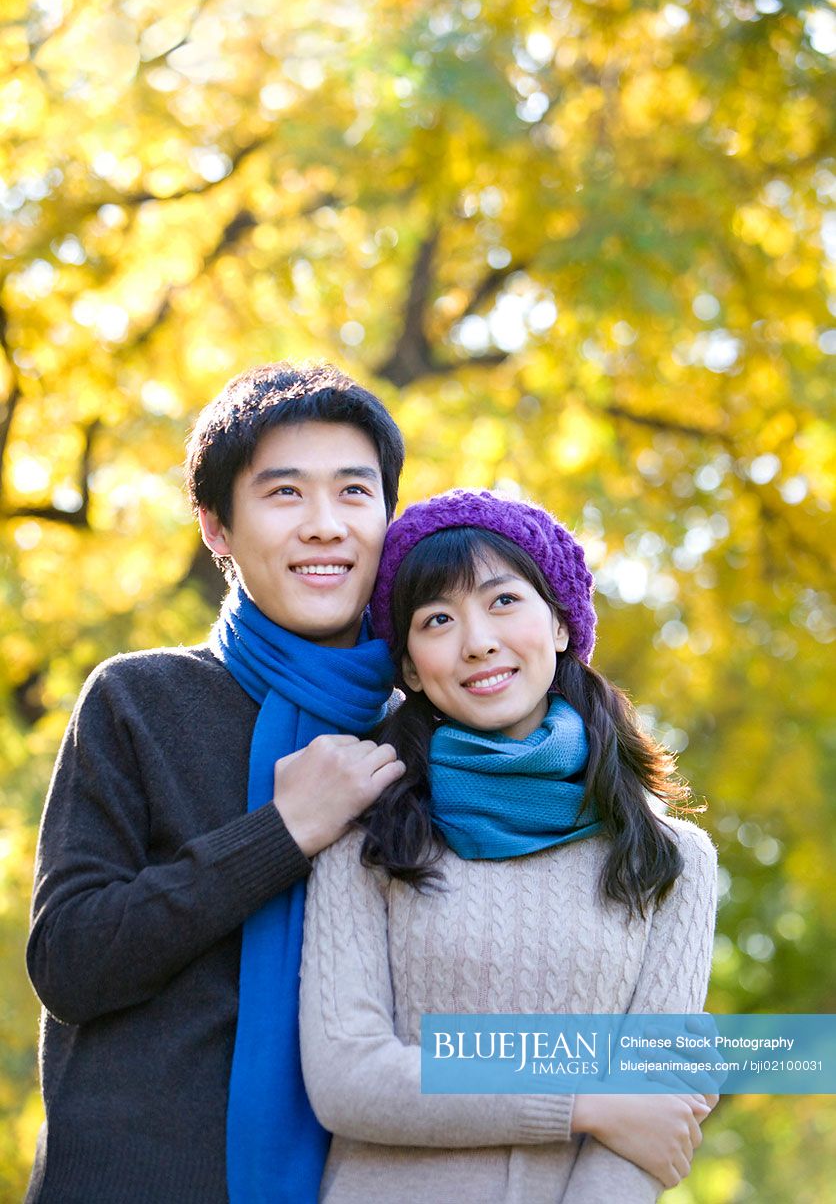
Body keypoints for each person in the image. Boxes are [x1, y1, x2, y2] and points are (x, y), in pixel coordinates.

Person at [25, 362, 407, 1204]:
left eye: (354, 492)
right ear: (216, 527)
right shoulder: (138, 699)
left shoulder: (419, 735)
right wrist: (281, 833)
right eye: (283, 494)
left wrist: (604, 1091)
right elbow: (69, 959)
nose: (323, 526)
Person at [299, 489, 718, 1203]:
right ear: (408, 667)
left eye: (502, 601)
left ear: (559, 624)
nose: (477, 640)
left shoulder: (670, 858)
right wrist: (585, 1100)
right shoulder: (367, 839)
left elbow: (653, 1111)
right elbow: (348, 1077)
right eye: (438, 618)